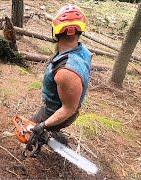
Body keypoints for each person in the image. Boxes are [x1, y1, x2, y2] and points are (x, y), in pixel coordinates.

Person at [28, 4, 92, 153]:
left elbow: (68, 109)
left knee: (30, 127)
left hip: (57, 110)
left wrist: (42, 126)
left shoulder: (66, 72)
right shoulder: (83, 51)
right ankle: (54, 132)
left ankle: (37, 144)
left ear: (55, 32)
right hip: (63, 105)